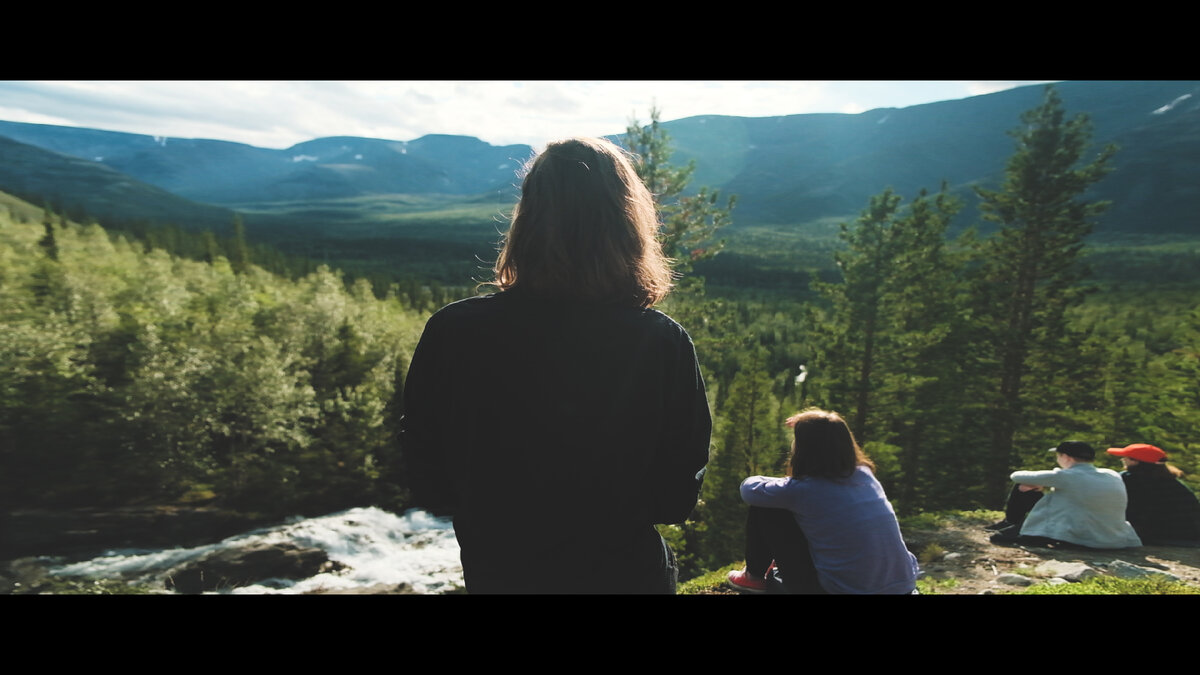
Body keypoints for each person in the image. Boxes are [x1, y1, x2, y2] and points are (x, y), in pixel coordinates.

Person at [400, 137, 712, 594]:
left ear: (527, 220)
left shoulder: (454, 330)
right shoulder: (660, 341)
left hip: (500, 569)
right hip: (624, 572)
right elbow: (675, 495)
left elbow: (427, 473)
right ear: (627, 222)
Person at [725, 408, 919, 594]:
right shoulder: (864, 475)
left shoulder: (803, 490)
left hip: (843, 590)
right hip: (903, 587)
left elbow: (749, 490)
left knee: (766, 507)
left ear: (805, 450)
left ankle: (753, 577)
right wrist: (815, 423)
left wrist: (783, 484)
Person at [988, 441, 1142, 549]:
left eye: (1058, 456)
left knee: (1023, 486)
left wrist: (1051, 478)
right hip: (1115, 538)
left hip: (1081, 538)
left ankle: (1012, 523)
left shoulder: (1066, 476)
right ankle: (1017, 525)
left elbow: (1016, 476)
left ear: (1066, 457)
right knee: (1054, 493)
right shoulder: (1112, 474)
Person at [1107, 443, 1200, 547]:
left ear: (1136, 462)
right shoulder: (1174, 483)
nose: (1123, 459)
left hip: (1157, 536)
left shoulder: (1129, 479)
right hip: (1188, 536)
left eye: (1126, 457)